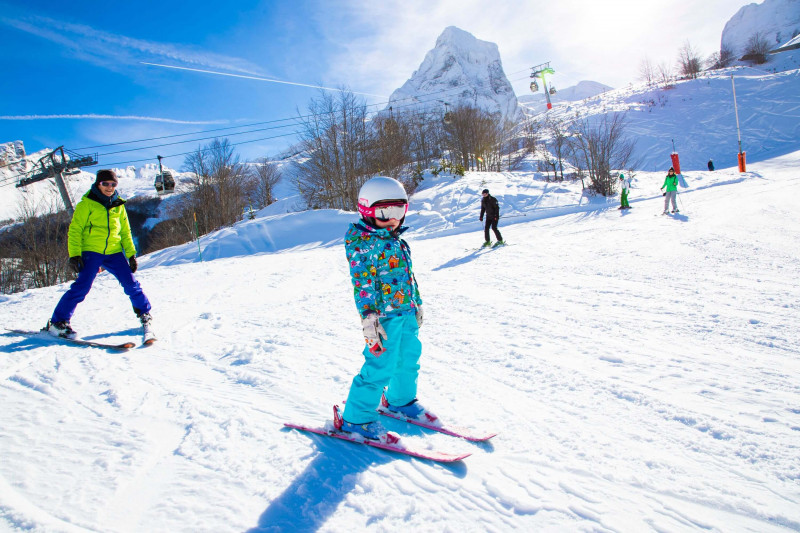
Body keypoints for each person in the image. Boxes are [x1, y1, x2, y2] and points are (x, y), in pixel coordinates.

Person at [340, 176, 430, 441]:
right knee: (380, 366)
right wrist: (368, 317)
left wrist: (417, 302)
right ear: (367, 211)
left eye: (399, 210)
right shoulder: (361, 243)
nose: (393, 219)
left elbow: (408, 276)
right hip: (383, 317)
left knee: (408, 359)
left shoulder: (399, 241)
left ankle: (400, 400)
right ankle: (356, 418)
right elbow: (362, 282)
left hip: (406, 312)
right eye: (385, 212)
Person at [46, 169, 154, 340]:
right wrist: (74, 255)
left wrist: (131, 255)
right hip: (92, 251)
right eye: (106, 184)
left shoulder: (118, 205)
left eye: (113, 184)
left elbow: (125, 231)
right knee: (82, 286)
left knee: (131, 283)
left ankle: (144, 313)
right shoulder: (86, 204)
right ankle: (58, 322)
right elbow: (75, 230)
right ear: (98, 184)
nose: (109, 187)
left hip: (114, 251)